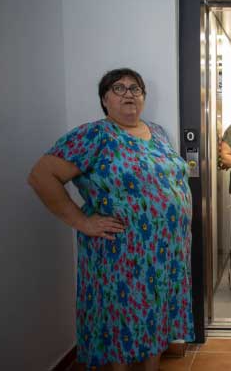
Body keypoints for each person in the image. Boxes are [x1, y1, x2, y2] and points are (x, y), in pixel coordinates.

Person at [27, 68, 194, 371]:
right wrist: (82, 222)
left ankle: (152, 367)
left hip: (166, 251)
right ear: (104, 99)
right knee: (121, 315)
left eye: (136, 89)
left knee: (157, 311)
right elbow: (41, 176)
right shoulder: (94, 135)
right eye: (119, 88)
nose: (129, 94)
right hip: (121, 252)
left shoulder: (157, 132)